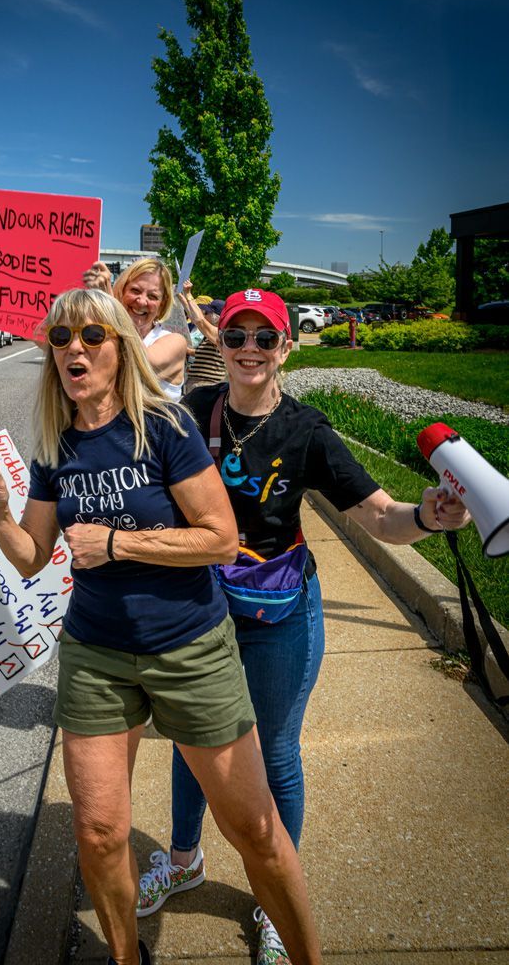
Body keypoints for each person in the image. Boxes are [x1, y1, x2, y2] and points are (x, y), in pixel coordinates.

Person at [0, 286, 323, 965]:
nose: (74, 349)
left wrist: (119, 545)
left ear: (121, 345)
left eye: (92, 336)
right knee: (97, 833)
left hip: (188, 648)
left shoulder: (166, 427)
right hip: (97, 653)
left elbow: (220, 539)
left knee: (254, 830)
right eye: (61, 338)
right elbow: (35, 556)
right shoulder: (53, 444)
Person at [137, 287, 470, 965]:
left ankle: (271, 899)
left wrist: (430, 517)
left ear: (286, 346)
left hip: (279, 615)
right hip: (201, 612)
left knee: (276, 752)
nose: (250, 350)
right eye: (236, 337)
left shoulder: (307, 430)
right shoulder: (191, 412)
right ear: (219, 346)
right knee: (191, 738)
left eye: (265, 337)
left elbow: (380, 517)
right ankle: (183, 860)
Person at [112, 257, 187, 401]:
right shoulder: (106, 335)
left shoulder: (175, 341)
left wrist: (112, 307)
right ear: (122, 291)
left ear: (162, 305)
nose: (141, 301)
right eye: (135, 290)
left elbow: (140, 365)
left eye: (152, 296)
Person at [178, 286, 227, 391]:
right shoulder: (212, 335)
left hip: (206, 384)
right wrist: (182, 299)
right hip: (200, 383)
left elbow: (199, 320)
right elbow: (195, 319)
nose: (204, 315)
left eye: (207, 313)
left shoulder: (220, 334)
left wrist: (188, 295)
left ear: (216, 317)